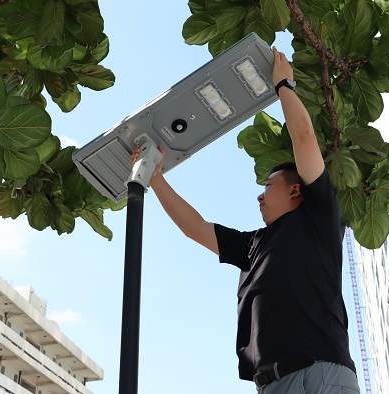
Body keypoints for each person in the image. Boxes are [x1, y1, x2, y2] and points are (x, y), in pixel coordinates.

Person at [135, 47, 359, 393]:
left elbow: (304, 137)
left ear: (296, 191)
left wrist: (284, 85)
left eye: (268, 186)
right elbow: (193, 228)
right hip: (270, 385)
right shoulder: (253, 246)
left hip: (318, 375)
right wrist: (156, 179)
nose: (259, 195)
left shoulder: (319, 219)